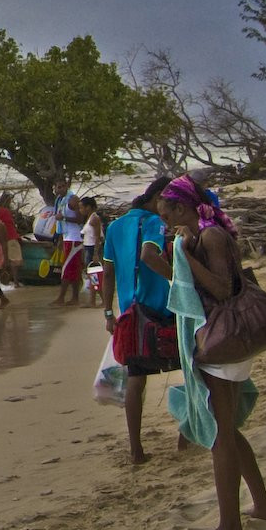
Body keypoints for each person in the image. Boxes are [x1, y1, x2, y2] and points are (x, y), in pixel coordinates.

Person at [160, 175, 266, 530]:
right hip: (221, 340)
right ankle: (264, 506)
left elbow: (224, 289)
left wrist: (183, 254)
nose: (166, 224)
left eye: (167, 216)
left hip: (222, 341)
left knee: (220, 436)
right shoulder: (205, 234)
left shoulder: (210, 236)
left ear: (182, 208)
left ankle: (230, 525)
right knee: (226, 428)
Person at [100, 175, 173, 465]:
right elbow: (149, 256)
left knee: (136, 379)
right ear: (158, 199)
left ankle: (136, 449)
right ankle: (186, 436)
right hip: (163, 309)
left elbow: (107, 273)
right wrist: (178, 280)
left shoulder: (115, 226)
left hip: (131, 313)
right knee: (189, 370)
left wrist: (108, 312)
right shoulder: (155, 223)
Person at [51, 183, 86, 306]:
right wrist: (61, 239)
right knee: (73, 269)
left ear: (66, 186)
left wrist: (64, 218)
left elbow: (80, 219)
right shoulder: (60, 200)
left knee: (66, 268)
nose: (57, 189)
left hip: (74, 238)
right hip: (67, 237)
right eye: (56, 187)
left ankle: (61, 297)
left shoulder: (73, 199)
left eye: (60, 187)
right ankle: (74, 298)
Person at [80, 196, 104, 308]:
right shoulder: (90, 218)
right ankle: (93, 300)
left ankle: (99, 300)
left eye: (82, 208)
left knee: (94, 276)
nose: (80, 210)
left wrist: (95, 253)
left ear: (88, 207)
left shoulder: (94, 219)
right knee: (92, 276)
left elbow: (97, 237)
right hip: (88, 248)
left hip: (92, 249)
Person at [0, 194, 23, 286]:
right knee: (15, 261)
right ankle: (16, 282)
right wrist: (18, 237)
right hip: (10, 238)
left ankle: (2, 282)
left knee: (2, 261)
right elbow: (10, 226)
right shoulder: (5, 211)